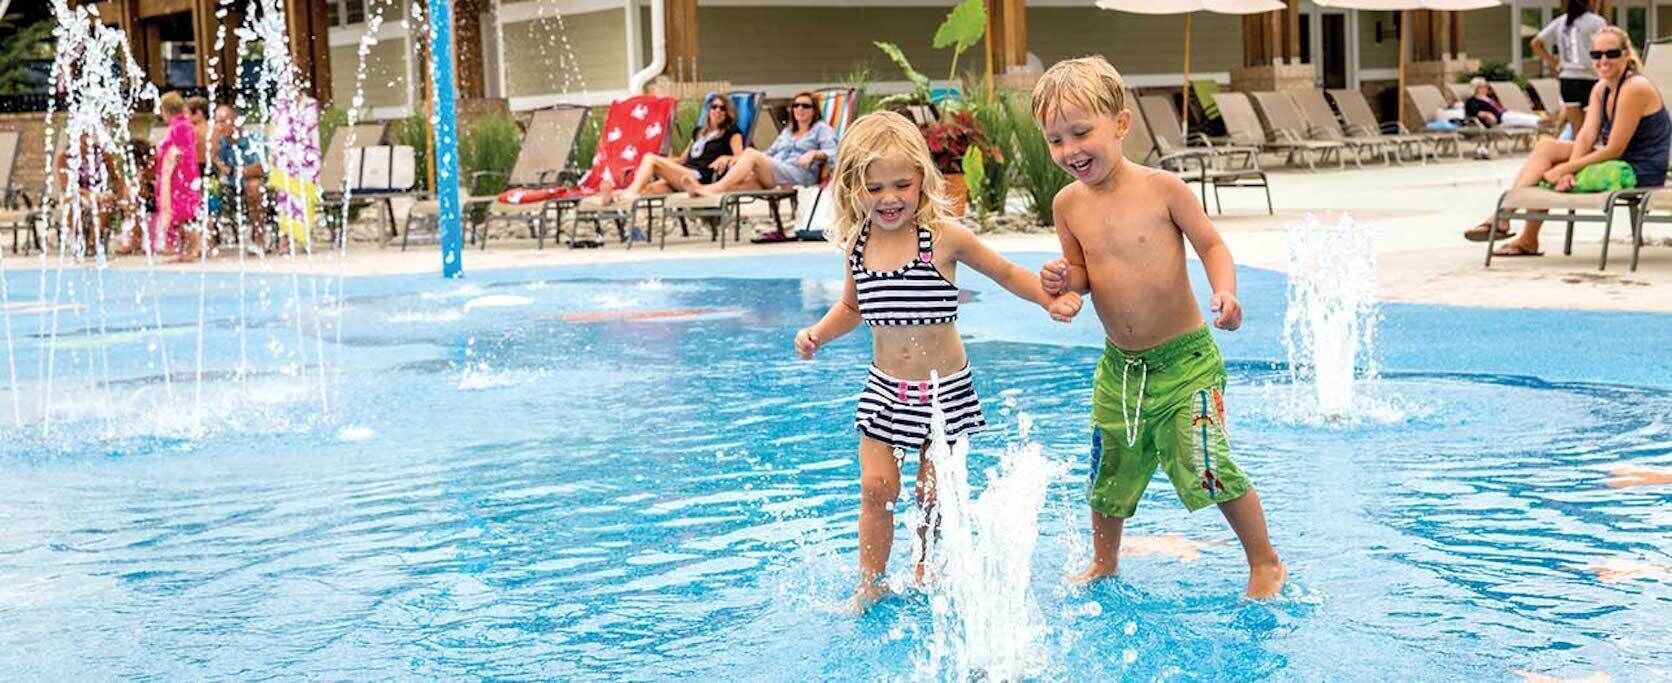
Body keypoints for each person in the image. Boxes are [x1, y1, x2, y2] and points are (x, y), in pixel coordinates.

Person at [791, 110, 1081, 614]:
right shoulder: (858, 245)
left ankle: (924, 566)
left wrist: (1048, 299)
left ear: (922, 179)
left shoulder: (942, 237)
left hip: (945, 391)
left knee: (931, 492)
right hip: (885, 389)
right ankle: (871, 583)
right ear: (853, 189)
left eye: (901, 184)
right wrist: (818, 333)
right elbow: (851, 308)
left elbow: (1005, 272)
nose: (889, 198)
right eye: (873, 187)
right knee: (876, 488)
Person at [1030, 56, 1285, 599]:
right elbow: (1082, 272)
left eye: (1081, 132)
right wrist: (1065, 285)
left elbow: (1212, 245)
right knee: (1109, 463)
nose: (1070, 150)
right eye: (1055, 140)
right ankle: (1105, 559)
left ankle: (1264, 562)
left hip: (1186, 360)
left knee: (1206, 460)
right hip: (1121, 367)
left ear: (1120, 124)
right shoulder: (1067, 205)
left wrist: (1226, 290)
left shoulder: (1163, 188)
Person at [1466, 26, 1670, 254]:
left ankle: (1516, 228)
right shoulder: (1601, 89)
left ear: (1625, 54)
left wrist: (1564, 167)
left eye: (1611, 54)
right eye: (1596, 55)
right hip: (1615, 161)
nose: (1603, 60)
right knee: (1546, 147)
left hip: (1638, 170)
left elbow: (1614, 149)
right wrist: (1567, 172)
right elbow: (1585, 135)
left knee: (1551, 166)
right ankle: (1508, 221)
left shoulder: (1635, 88)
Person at [600, 93, 744, 205]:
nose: (718, 110)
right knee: (647, 189)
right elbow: (682, 159)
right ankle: (614, 198)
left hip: (699, 178)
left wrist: (726, 157)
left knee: (650, 158)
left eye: (722, 108)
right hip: (683, 175)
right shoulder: (699, 132)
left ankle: (627, 192)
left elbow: (740, 157)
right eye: (714, 107)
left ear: (728, 113)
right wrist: (661, 165)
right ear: (709, 110)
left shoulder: (731, 132)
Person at [690, 90, 836, 196]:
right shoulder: (788, 131)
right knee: (749, 182)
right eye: (796, 105)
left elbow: (834, 152)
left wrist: (814, 153)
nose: (799, 109)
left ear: (814, 110)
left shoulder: (821, 128)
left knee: (750, 154)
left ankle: (714, 188)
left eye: (805, 106)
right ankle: (704, 194)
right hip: (776, 173)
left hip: (799, 174)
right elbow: (768, 154)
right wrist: (732, 158)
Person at [117, 91, 200, 258]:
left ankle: (194, 247)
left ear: (165, 110)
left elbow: (178, 153)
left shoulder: (180, 127)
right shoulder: (180, 126)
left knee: (181, 213)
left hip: (179, 177)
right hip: (179, 176)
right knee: (178, 214)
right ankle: (185, 248)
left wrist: (166, 173)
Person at [1534, 0, 1607, 138]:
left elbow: (1536, 43)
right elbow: (1606, 46)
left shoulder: (1561, 22)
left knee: (1577, 132)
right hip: (1589, 79)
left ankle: (1576, 157)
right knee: (1592, 130)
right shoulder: (1596, 22)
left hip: (1567, 80)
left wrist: (1555, 62)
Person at [52, 131, 128, 257]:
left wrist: (118, 197)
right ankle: (79, 240)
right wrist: (89, 194)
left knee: (106, 203)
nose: (87, 139)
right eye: (82, 135)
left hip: (98, 194)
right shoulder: (66, 157)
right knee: (72, 201)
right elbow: (67, 187)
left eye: (89, 135)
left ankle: (93, 243)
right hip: (76, 194)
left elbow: (118, 179)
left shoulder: (103, 155)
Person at [208, 103, 269, 251]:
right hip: (227, 187)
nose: (219, 126)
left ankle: (259, 235)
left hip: (251, 185)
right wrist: (213, 140)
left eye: (223, 121)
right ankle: (206, 240)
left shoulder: (254, 139)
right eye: (216, 122)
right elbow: (211, 159)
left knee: (253, 186)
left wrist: (231, 170)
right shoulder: (220, 143)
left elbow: (260, 168)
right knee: (205, 187)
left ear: (236, 121)